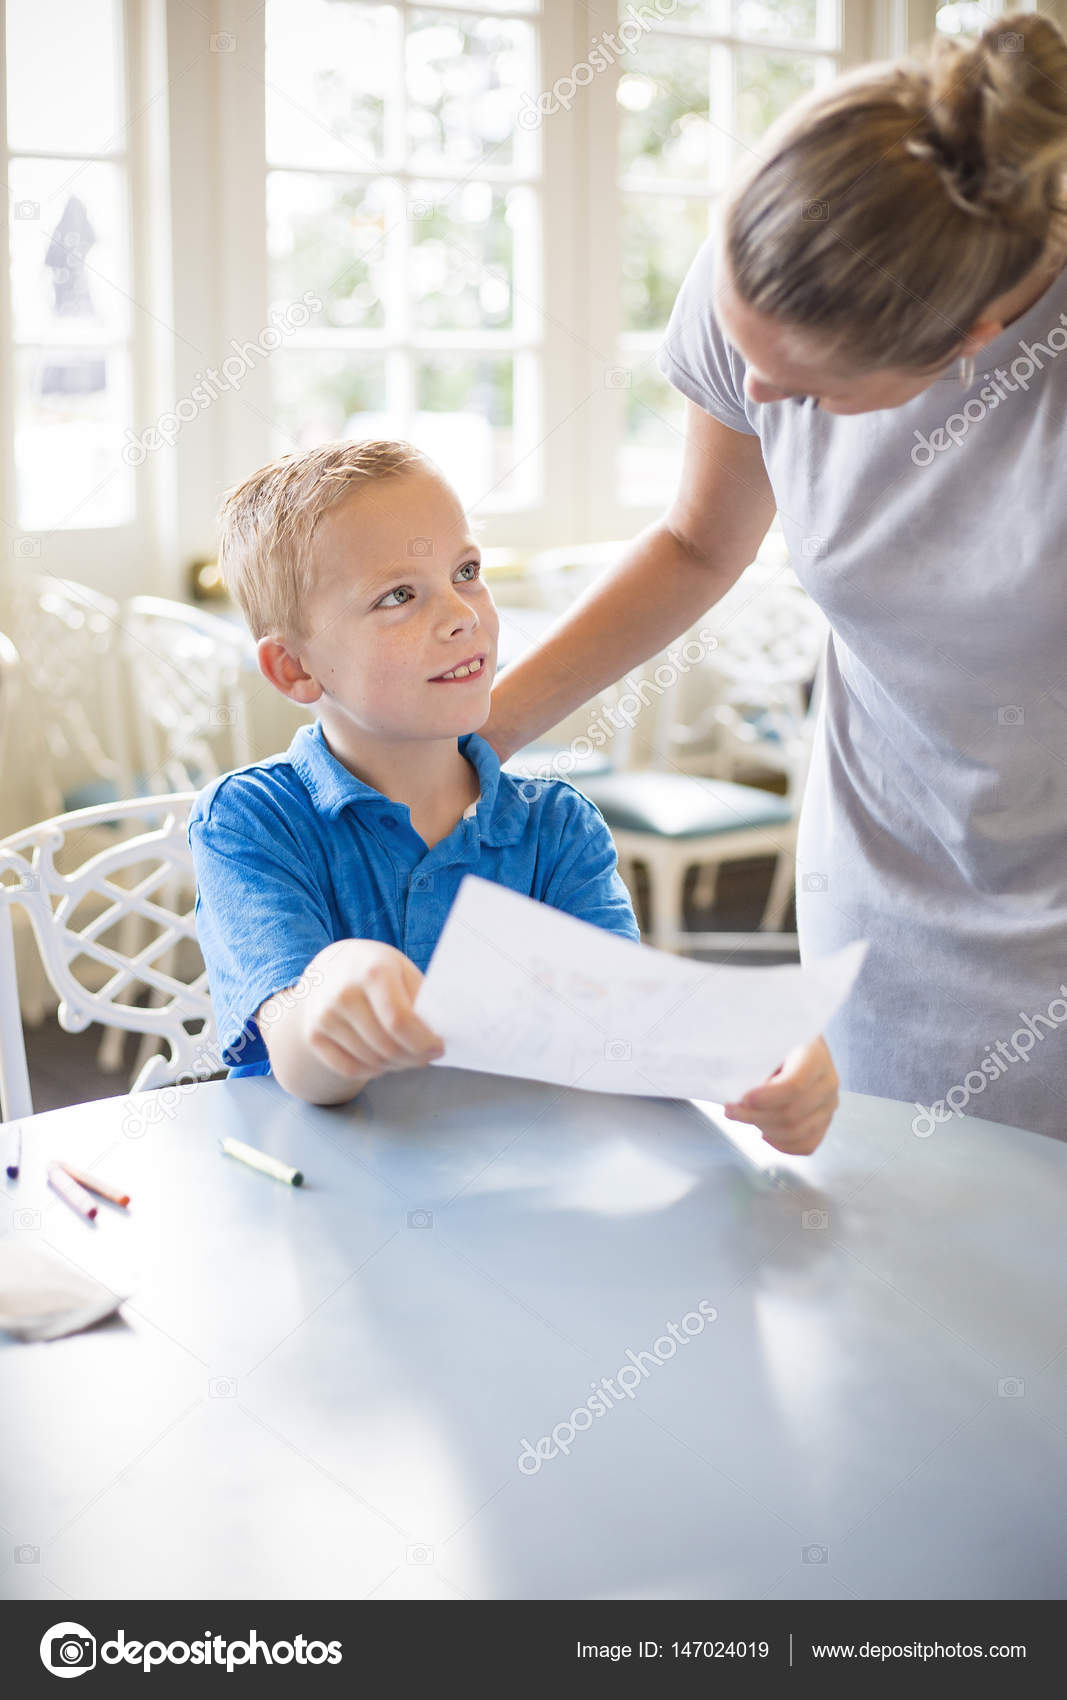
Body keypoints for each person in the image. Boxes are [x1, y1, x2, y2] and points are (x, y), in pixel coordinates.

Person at [484, 12, 1067, 1141]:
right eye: (740, 349)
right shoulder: (768, 255)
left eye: (802, 390)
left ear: (970, 341)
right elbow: (698, 543)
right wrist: (477, 733)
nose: (754, 399)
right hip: (879, 885)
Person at [188, 439, 839, 1150]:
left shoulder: (558, 829)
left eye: (466, 573)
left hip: (518, 1185)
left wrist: (760, 1055)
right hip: (315, 1192)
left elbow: (618, 1027)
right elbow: (297, 1060)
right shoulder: (249, 822)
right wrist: (327, 988)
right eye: (398, 595)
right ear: (294, 668)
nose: (461, 615)